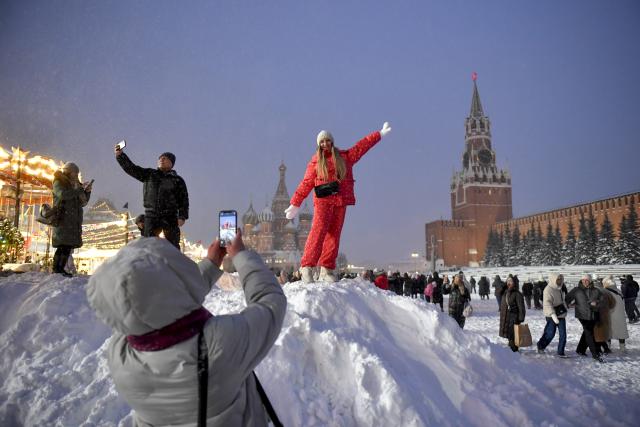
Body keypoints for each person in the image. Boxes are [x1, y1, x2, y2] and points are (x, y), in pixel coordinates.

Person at [86, 229, 287, 426]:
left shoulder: (119, 355)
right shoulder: (221, 343)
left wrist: (211, 264)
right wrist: (241, 256)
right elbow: (269, 302)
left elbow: (149, 301)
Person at [284, 122, 392, 283]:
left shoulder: (344, 157)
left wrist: (379, 134)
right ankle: (307, 266)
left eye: (327, 140)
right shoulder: (315, 162)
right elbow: (306, 182)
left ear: (332, 142)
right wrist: (295, 203)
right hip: (323, 201)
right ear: (318, 145)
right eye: (321, 142)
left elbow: (361, 147)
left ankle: (327, 268)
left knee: (334, 235)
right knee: (318, 232)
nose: (325, 144)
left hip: (340, 201)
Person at [115, 145, 189, 249]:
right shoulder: (149, 174)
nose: (162, 159)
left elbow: (184, 200)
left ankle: (172, 265)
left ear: (171, 163)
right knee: (148, 246)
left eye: (165, 158)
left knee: (173, 247)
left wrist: (182, 216)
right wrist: (120, 155)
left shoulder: (178, 180)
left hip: (170, 217)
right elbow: (131, 169)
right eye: (160, 158)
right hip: (151, 215)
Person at [52, 162, 92, 277]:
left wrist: (87, 192)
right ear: (69, 172)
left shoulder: (76, 185)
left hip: (73, 220)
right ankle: (57, 269)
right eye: (75, 173)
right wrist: (79, 190)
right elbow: (63, 194)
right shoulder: (59, 182)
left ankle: (60, 269)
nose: (76, 175)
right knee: (62, 245)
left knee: (67, 246)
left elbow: (82, 202)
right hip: (63, 218)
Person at [565, 274, 605, 362]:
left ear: (590, 281)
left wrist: (596, 303)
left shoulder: (596, 291)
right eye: (583, 280)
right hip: (582, 315)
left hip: (593, 314)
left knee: (587, 332)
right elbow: (567, 298)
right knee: (589, 332)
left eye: (586, 280)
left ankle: (580, 349)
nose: (584, 282)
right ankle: (595, 354)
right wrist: (569, 304)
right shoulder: (576, 290)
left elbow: (603, 301)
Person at [536, 274, 568, 357]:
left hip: (561, 314)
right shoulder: (548, 289)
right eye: (558, 279)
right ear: (554, 279)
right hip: (551, 315)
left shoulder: (560, 288)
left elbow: (562, 300)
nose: (559, 281)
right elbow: (547, 303)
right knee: (550, 333)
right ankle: (540, 346)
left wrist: (565, 307)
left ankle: (561, 352)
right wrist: (553, 314)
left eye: (561, 279)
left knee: (563, 334)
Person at [499, 276, 526, 352]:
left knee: (513, 335)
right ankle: (512, 348)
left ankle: (514, 350)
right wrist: (504, 286)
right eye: (508, 281)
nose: (509, 283)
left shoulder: (517, 293)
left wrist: (521, 318)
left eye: (511, 281)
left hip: (514, 318)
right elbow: (498, 292)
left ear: (514, 283)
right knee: (509, 335)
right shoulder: (505, 292)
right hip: (505, 317)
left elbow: (521, 307)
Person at [603, 276, 629, 352]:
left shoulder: (605, 292)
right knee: (621, 331)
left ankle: (607, 347)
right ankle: (622, 348)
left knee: (608, 331)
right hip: (620, 315)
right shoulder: (618, 291)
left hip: (609, 315)